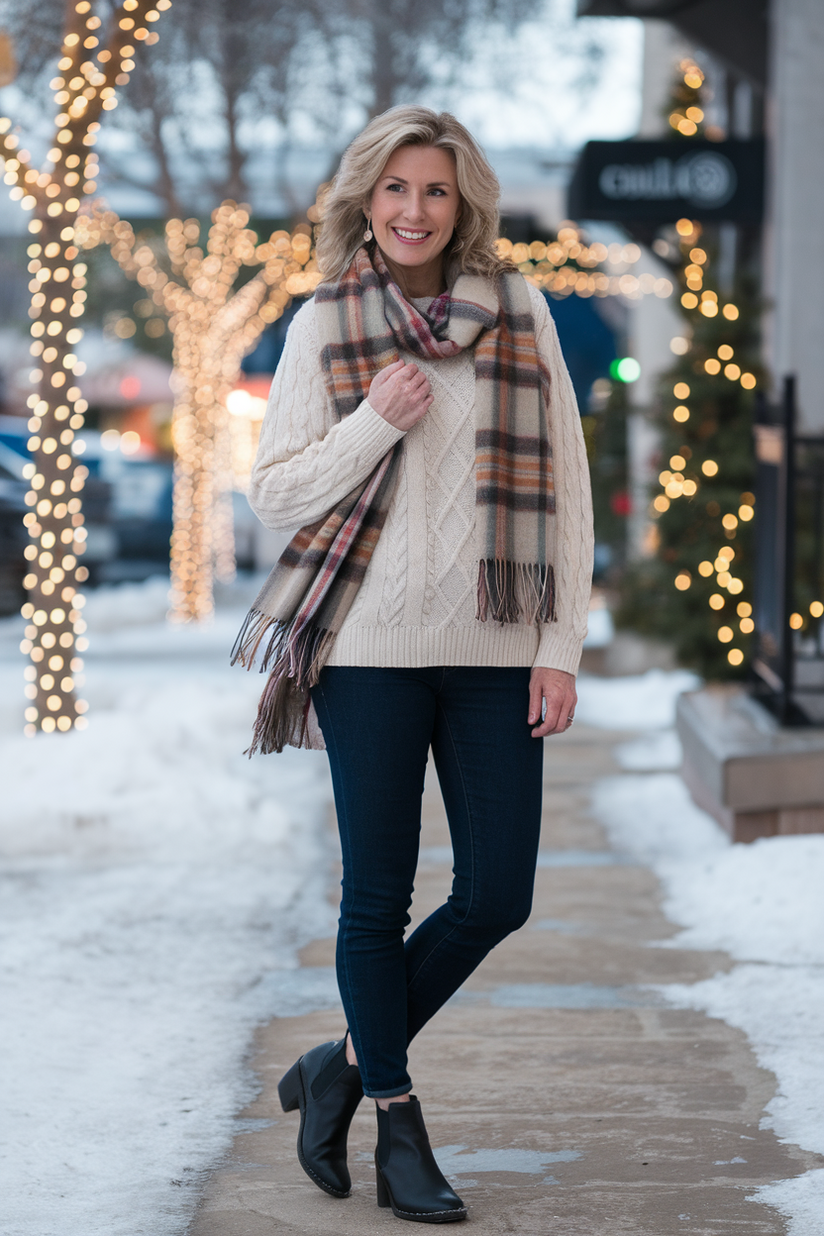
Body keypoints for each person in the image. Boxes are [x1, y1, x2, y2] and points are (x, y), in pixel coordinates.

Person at [236, 105, 593, 1224]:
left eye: (433, 190)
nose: (412, 210)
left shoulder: (520, 310)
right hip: (367, 655)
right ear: (365, 199)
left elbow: (569, 494)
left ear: (463, 202)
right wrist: (372, 423)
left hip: (494, 648)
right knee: (375, 900)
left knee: (497, 894)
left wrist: (559, 648)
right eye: (394, 189)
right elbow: (279, 491)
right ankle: (393, 1113)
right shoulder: (321, 324)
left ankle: (334, 1065)